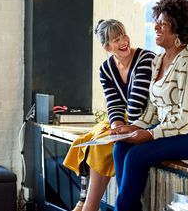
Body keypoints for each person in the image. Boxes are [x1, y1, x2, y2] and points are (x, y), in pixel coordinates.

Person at [109, 0, 188, 211]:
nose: (155, 25)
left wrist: (150, 134)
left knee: (137, 155)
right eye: (156, 20)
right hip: (184, 129)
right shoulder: (159, 61)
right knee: (121, 147)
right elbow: (154, 109)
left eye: (162, 23)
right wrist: (134, 127)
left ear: (177, 30)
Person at [62, 19, 156, 211]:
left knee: (100, 147)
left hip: (147, 120)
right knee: (86, 141)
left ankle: (89, 205)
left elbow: (137, 105)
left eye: (124, 35)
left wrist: (120, 129)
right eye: (116, 39)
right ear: (106, 46)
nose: (123, 42)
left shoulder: (146, 59)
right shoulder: (106, 68)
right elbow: (113, 105)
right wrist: (116, 126)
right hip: (125, 121)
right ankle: (84, 200)